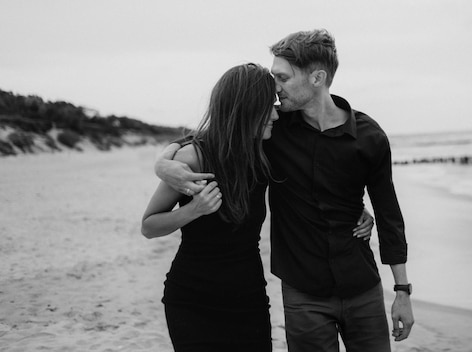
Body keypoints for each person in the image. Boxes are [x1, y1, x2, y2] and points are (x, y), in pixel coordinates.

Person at [156, 29, 413, 352]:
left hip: (361, 283)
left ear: (317, 78)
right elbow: (221, 133)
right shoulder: (274, 132)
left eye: (282, 77)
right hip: (302, 292)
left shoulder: (369, 137)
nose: (274, 89)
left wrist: (402, 290)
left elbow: (390, 216)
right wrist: (163, 161)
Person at [141, 63, 278, 351]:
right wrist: (192, 211)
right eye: (269, 107)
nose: (276, 115)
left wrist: (354, 207)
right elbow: (149, 226)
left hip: (249, 298)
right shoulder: (193, 159)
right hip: (193, 301)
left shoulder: (264, 153)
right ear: (248, 109)